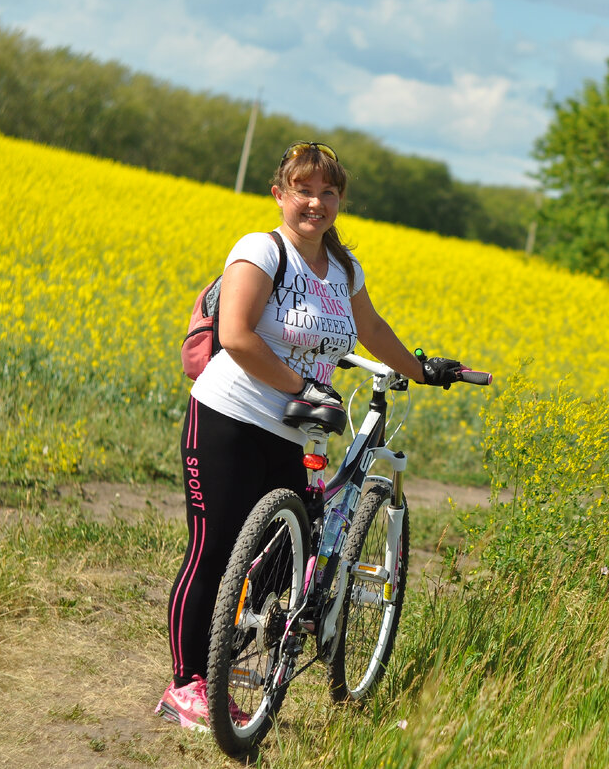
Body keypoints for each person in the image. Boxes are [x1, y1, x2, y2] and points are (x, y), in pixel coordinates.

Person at [156, 141, 464, 730]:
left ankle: (235, 661)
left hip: (295, 432)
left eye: (328, 192)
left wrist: (422, 369)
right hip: (230, 415)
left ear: (339, 201)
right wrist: (304, 385)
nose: (315, 203)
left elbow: (369, 327)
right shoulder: (261, 251)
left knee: (278, 561)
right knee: (214, 547)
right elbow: (237, 334)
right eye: (304, 190)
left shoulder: (345, 270)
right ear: (280, 195)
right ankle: (185, 686)